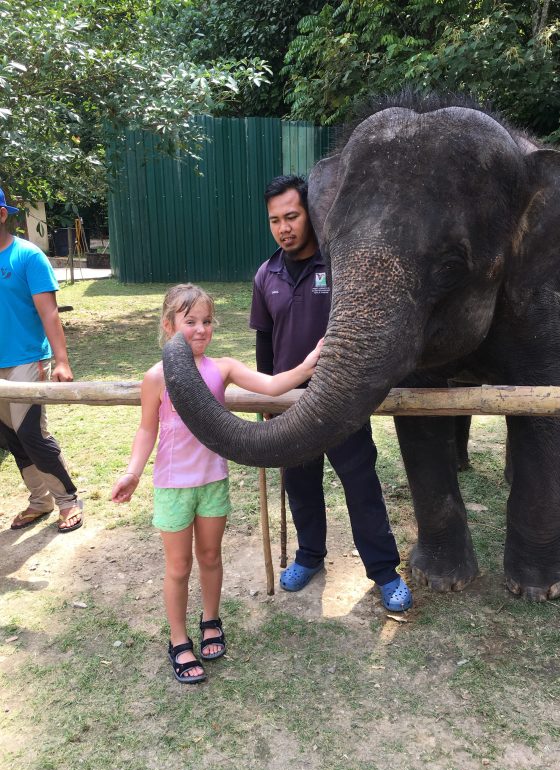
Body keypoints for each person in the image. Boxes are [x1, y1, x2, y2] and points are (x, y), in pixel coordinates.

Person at [111, 283, 322, 684]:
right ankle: (178, 639)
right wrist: (133, 472)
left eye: (207, 321)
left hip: (213, 482)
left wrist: (310, 362)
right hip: (173, 485)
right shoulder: (156, 377)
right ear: (169, 326)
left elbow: (274, 385)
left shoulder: (221, 368)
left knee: (210, 557)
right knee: (178, 567)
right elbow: (146, 430)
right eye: (190, 321)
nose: (201, 329)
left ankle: (211, 620)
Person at [250, 175, 413, 612]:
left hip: (341, 401)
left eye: (292, 216)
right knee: (300, 487)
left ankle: (383, 572)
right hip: (288, 404)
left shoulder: (341, 266)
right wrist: (266, 402)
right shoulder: (267, 275)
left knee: (361, 486)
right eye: (275, 220)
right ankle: (309, 556)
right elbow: (265, 343)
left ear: (310, 213)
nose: (284, 228)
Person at [0, 187, 83, 533]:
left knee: (32, 433)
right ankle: (40, 501)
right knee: (11, 436)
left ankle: (68, 501)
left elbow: (49, 314)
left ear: (2, 214)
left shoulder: (27, 256)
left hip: (27, 359)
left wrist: (61, 361)